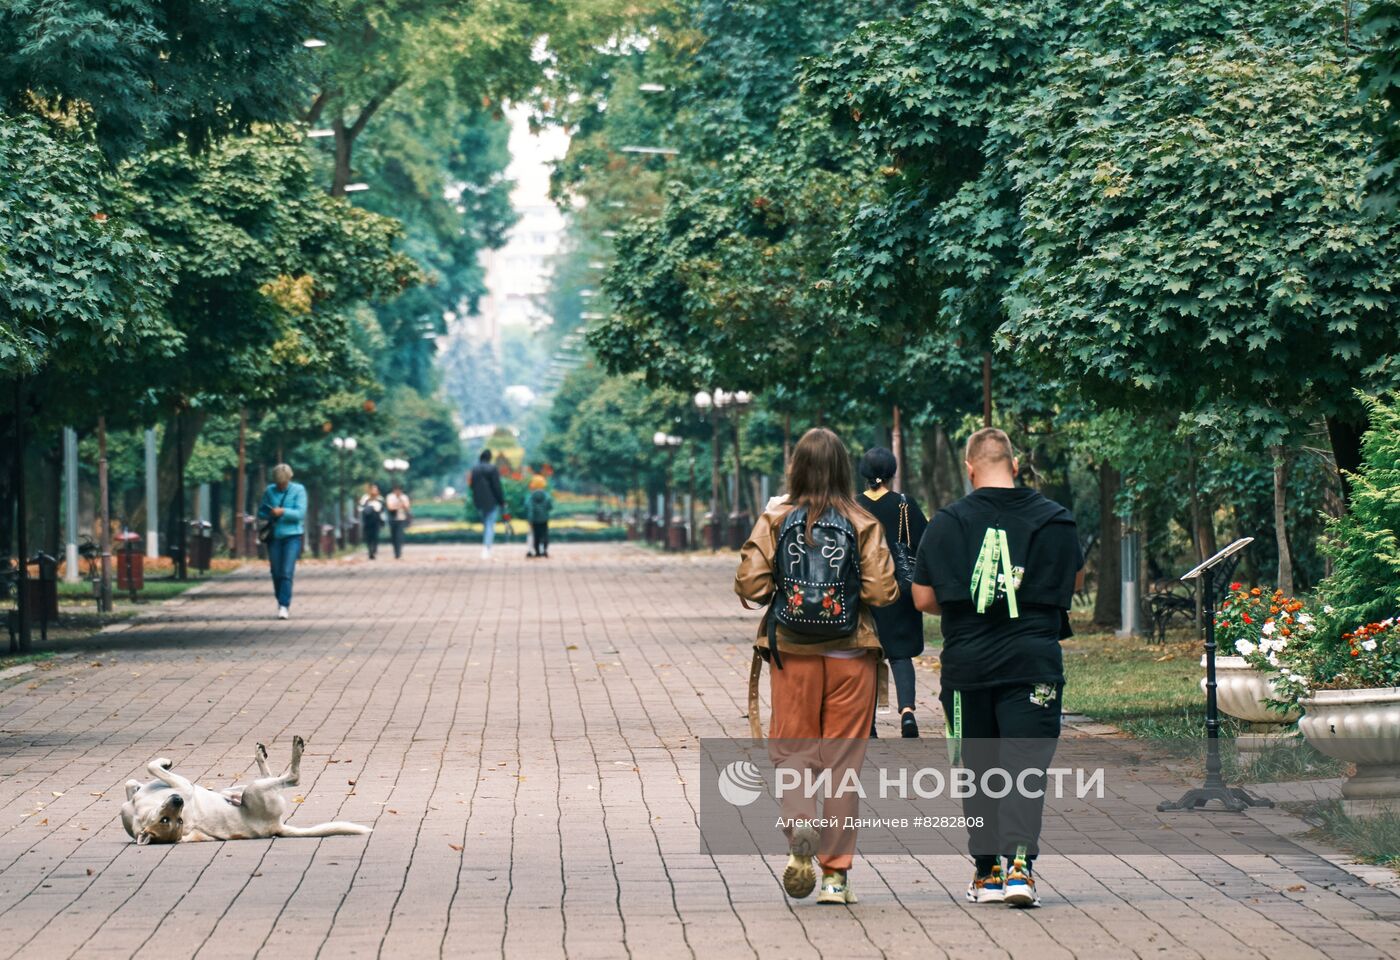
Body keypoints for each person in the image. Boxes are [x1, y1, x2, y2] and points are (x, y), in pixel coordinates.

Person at [911, 427, 1084, 909]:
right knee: (1026, 768)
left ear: (970, 469)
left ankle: (986, 872)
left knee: (978, 769)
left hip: (968, 667)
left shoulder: (946, 523)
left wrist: (968, 599)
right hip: (1034, 664)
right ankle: (1021, 869)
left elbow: (922, 597)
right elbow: (1073, 580)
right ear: (1015, 464)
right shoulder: (1056, 520)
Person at [735, 428, 898, 907]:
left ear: (796, 468)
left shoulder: (776, 517)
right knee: (843, 766)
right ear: (844, 469)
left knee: (794, 754)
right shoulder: (862, 520)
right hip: (851, 654)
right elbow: (883, 591)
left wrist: (784, 587)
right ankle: (835, 878)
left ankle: (800, 829)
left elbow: (750, 584)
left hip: (794, 653)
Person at [855, 447, 929, 738]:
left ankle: (869, 724)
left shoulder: (853, 506)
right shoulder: (904, 505)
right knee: (901, 656)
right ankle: (907, 712)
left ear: (863, 473)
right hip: (899, 590)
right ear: (892, 473)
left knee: (866, 657)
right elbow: (923, 544)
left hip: (864, 592)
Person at [258, 463, 307, 620]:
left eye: (283, 482)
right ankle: (280, 598)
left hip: (292, 536)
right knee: (276, 572)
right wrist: (270, 513)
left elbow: (300, 513)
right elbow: (261, 512)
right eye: (278, 483)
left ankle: (284, 605)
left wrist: (283, 511)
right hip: (275, 537)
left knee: (286, 571)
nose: (281, 485)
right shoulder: (269, 491)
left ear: (289, 479)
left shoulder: (298, 490)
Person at [468, 449, 505, 559]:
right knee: (490, 525)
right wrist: (501, 501)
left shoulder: (475, 469)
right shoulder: (492, 468)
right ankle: (486, 548)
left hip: (479, 501)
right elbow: (496, 486)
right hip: (491, 501)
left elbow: (472, 486)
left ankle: (485, 545)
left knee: (485, 524)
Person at [523, 475, 553, 558]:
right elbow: (550, 506)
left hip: (534, 520)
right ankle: (544, 550)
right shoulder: (546, 496)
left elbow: (528, 507)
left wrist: (530, 519)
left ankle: (537, 552)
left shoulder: (530, 496)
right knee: (544, 534)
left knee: (536, 535)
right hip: (544, 519)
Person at [358, 483, 385, 560]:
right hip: (367, 519)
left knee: (375, 535)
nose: (374, 491)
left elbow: (382, 511)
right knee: (368, 536)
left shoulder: (380, 499)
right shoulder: (365, 498)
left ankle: (374, 549)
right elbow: (361, 508)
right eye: (373, 489)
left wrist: (382, 521)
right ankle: (370, 551)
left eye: (375, 490)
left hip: (376, 519)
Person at [385, 482, 412, 559]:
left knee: (400, 536)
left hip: (401, 518)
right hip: (392, 519)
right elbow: (390, 507)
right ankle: (396, 552)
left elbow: (407, 507)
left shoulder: (404, 497)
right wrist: (398, 506)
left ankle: (399, 552)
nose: (398, 491)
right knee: (394, 536)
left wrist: (401, 501)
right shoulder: (390, 497)